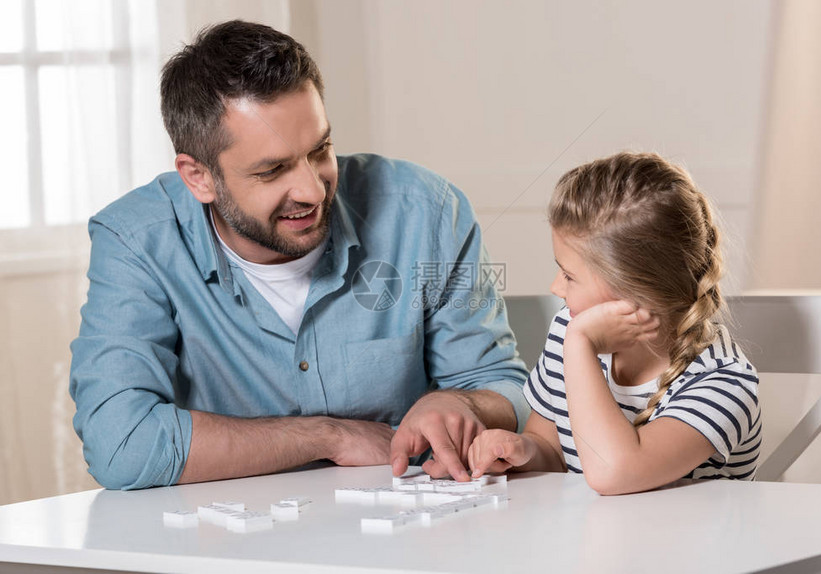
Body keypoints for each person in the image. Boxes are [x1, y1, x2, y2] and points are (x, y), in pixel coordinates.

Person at [69, 20, 529, 490]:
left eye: (320, 149)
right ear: (198, 177)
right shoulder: (135, 241)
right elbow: (120, 444)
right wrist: (328, 437)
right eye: (273, 171)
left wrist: (464, 404)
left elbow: (502, 385)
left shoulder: (426, 211)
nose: (311, 190)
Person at [467, 152, 761, 494]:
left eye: (569, 276)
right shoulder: (571, 329)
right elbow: (552, 450)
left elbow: (614, 473)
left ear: (635, 293)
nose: (555, 287)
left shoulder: (723, 381)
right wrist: (523, 451)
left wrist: (580, 348)